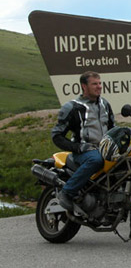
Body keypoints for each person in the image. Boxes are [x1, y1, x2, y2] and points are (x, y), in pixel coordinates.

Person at [52, 71, 115, 211]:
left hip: (104, 149)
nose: (99, 87)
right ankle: (67, 192)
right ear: (84, 86)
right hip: (84, 152)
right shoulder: (73, 107)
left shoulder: (105, 104)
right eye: (94, 84)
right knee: (96, 160)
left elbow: (112, 128)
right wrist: (79, 148)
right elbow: (56, 136)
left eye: (100, 83)